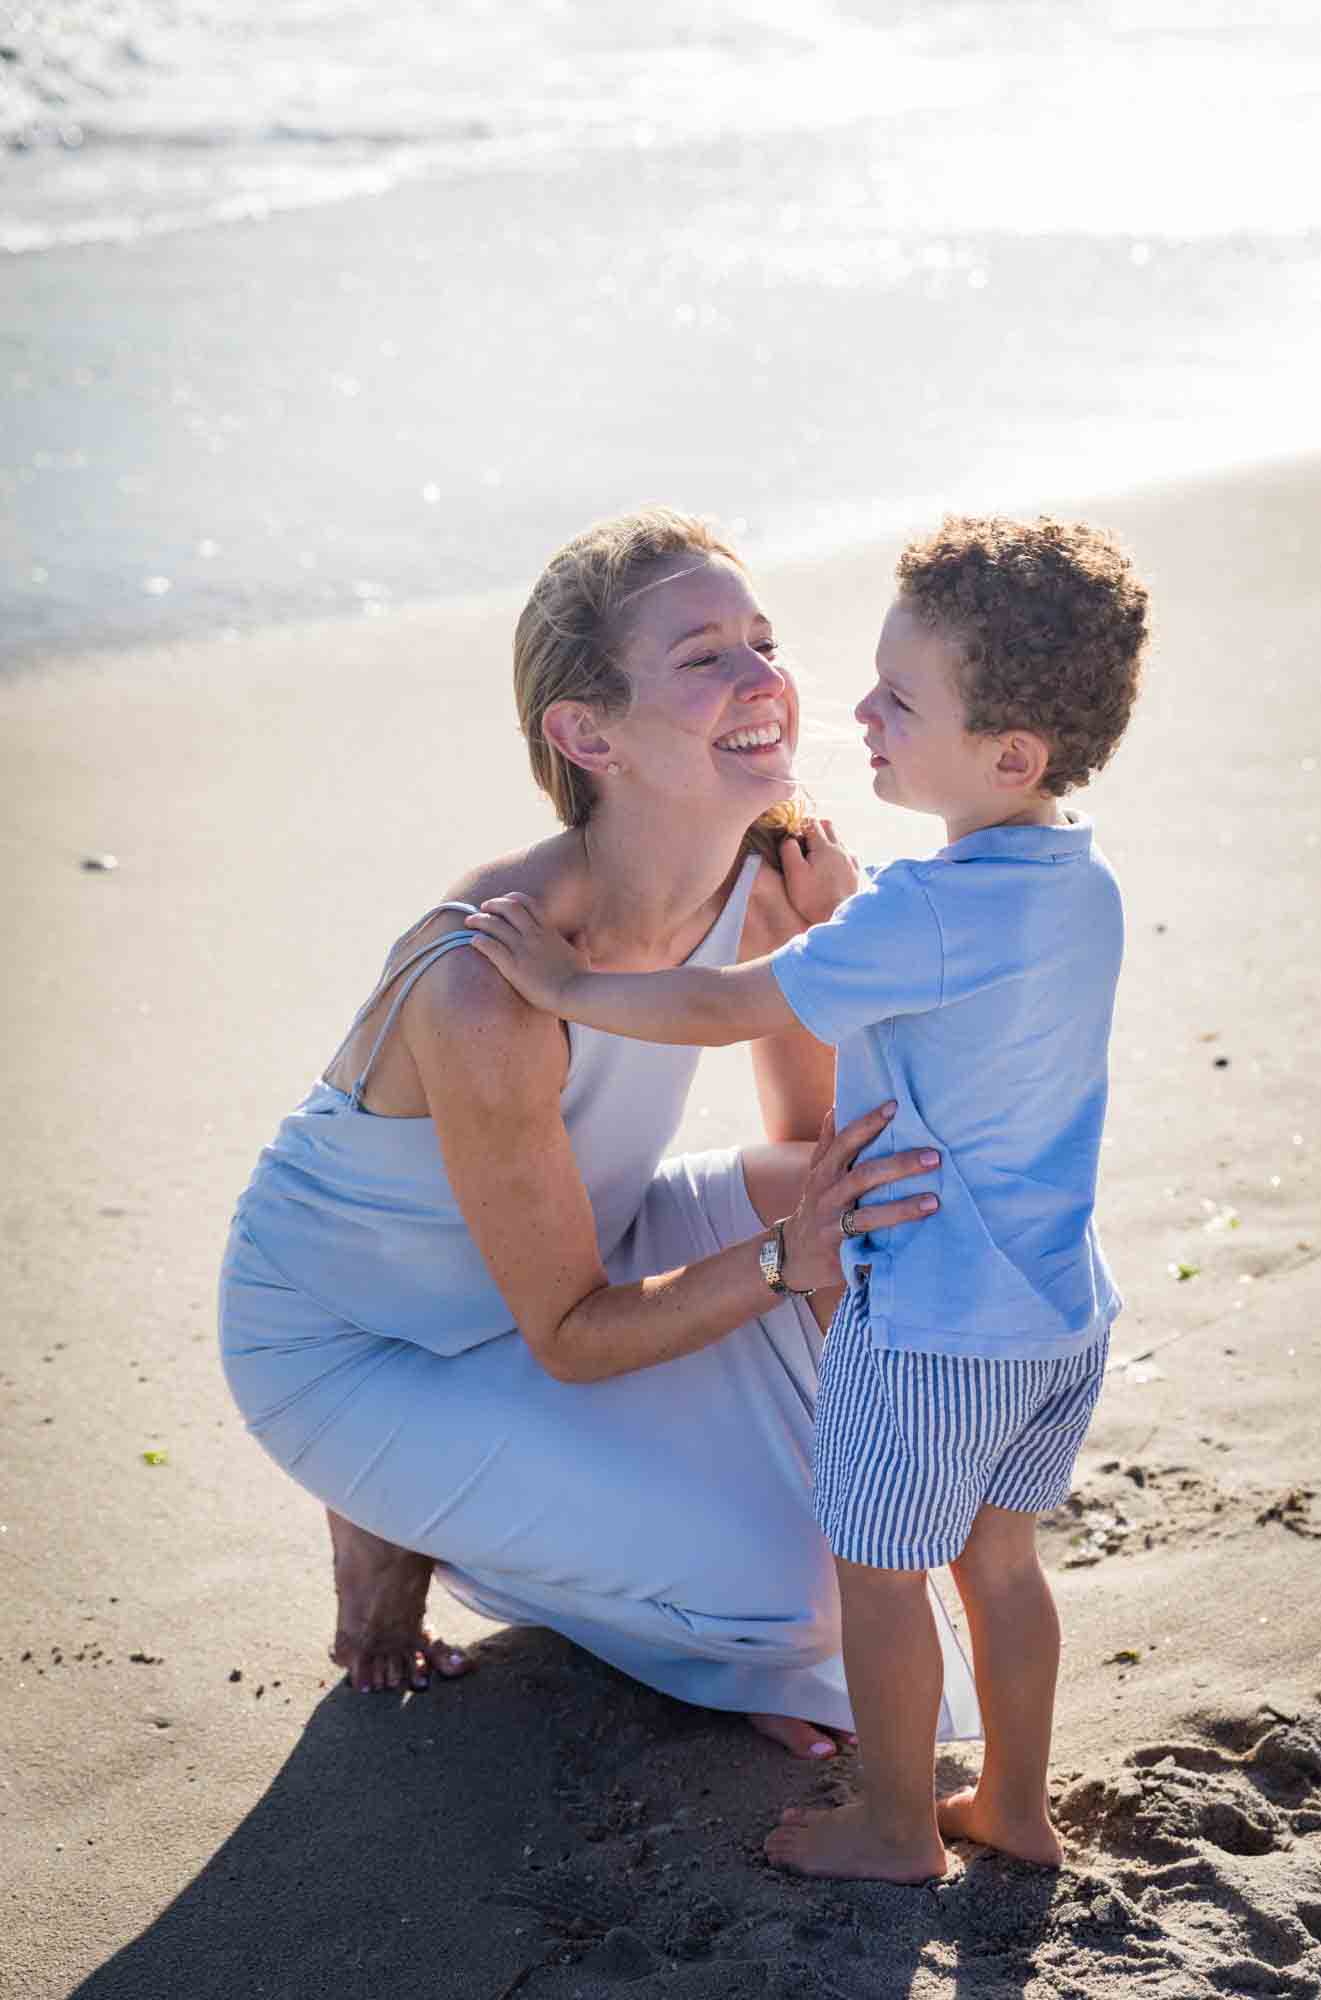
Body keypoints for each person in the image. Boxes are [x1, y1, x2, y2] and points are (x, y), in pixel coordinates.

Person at [218, 506, 981, 1760]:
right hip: (362, 1346)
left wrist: (824, 961)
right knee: (788, 1603)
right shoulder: (492, 976)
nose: (765, 682)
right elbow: (573, 1335)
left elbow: (808, 1148)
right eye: (703, 658)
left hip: (596, 1241)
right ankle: (386, 1505)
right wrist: (790, 1257)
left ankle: (549, 1498)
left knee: (892, 1188)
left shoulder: (768, 869)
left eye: (763, 640)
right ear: (586, 733)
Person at [465, 514, 1149, 1879]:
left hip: (929, 1325)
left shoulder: (917, 919)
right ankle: (1015, 1806)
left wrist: (567, 990)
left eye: (899, 701)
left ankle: (897, 1824)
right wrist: (854, 907)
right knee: (1001, 1567)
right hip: (1055, 1316)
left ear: (1007, 755)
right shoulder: (1076, 886)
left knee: (880, 1574)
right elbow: (945, 954)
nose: (855, 711)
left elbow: (730, 1002)